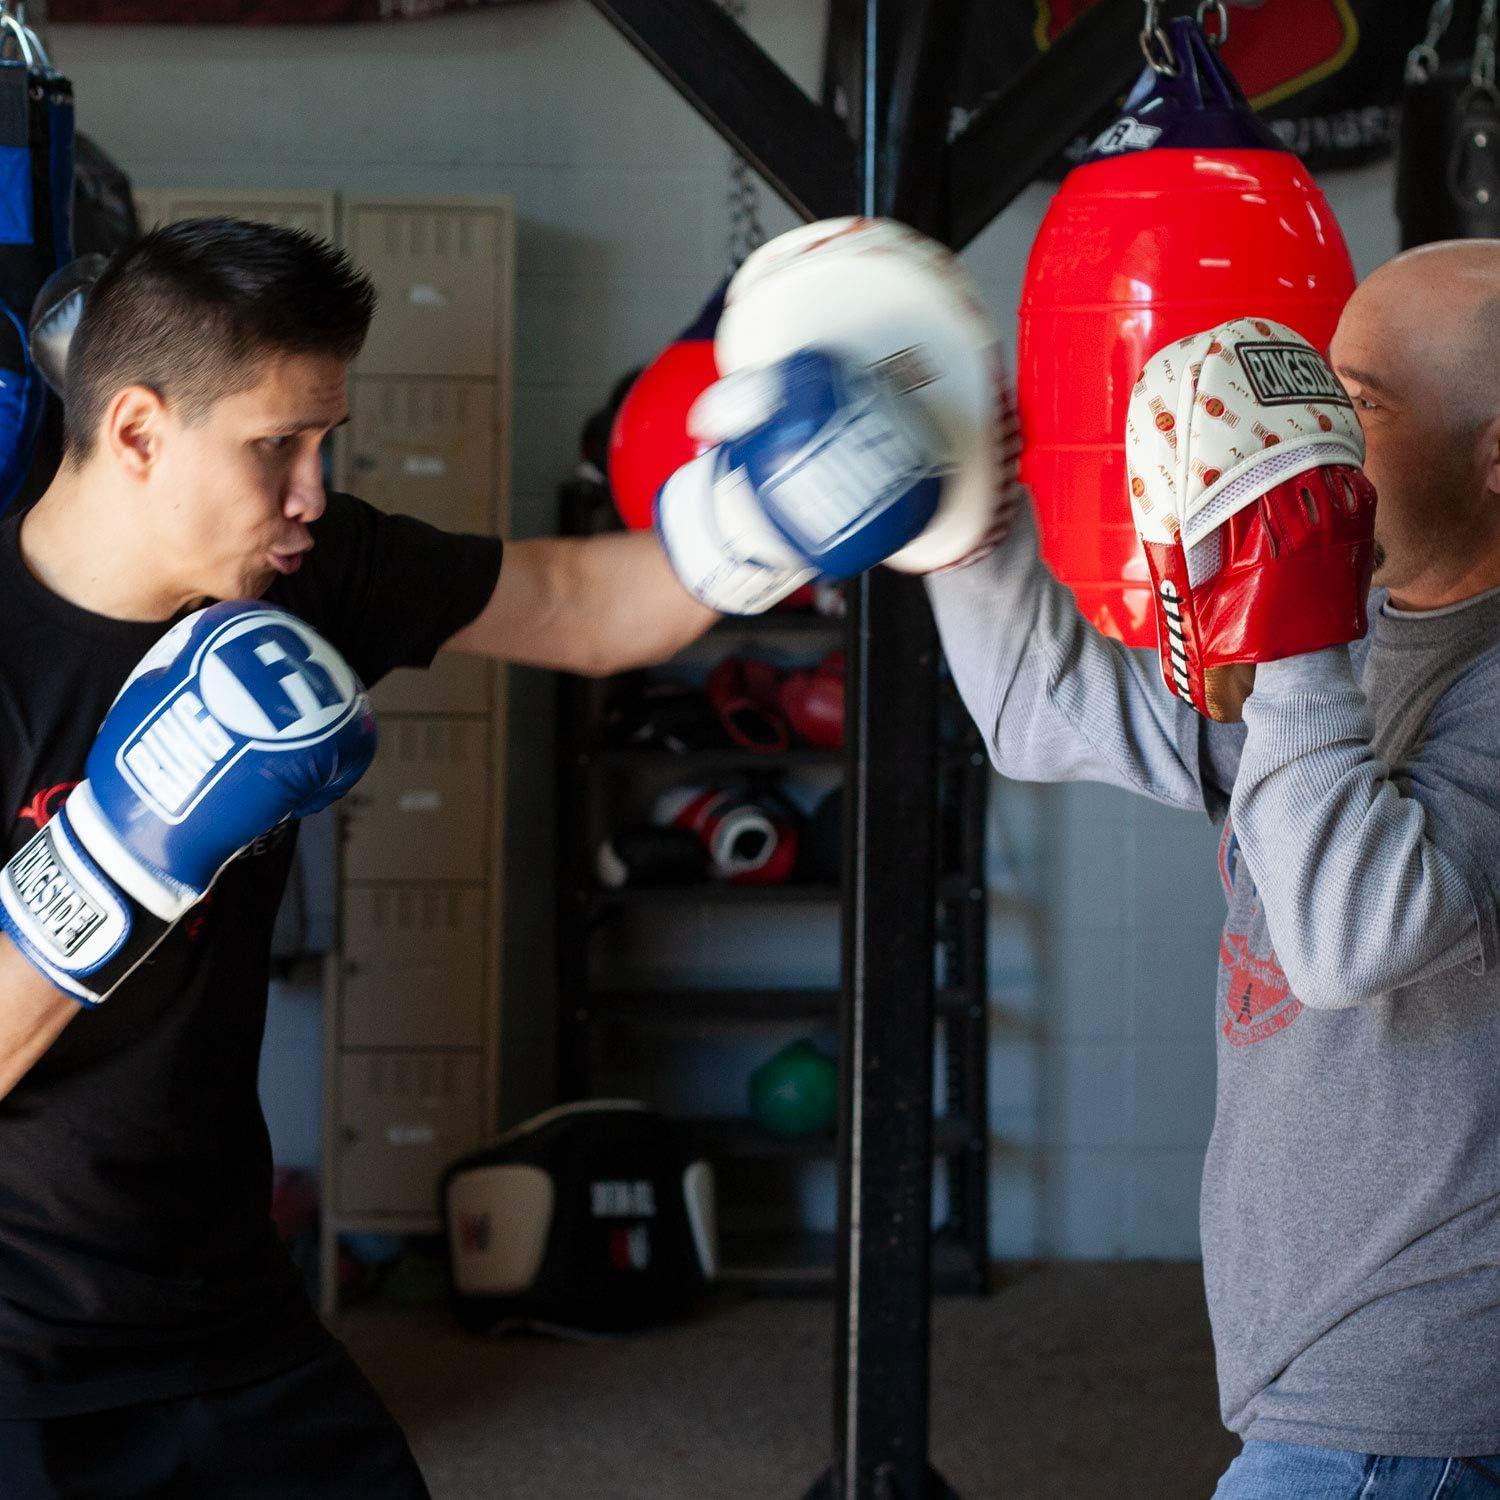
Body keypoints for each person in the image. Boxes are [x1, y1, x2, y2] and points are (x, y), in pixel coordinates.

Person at [0, 215, 985, 1497]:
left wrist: (768, 521)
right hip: (21, 1359)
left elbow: (579, 607)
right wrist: (122, 850)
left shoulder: (302, 565)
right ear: (135, 431)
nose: (310, 489)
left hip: (230, 1310)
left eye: (323, 441)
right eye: (274, 449)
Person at [927, 239, 1500, 1497]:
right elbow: (1041, 708)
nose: (1308, 435)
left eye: (1357, 405)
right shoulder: (1371, 646)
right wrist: (967, 518)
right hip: (1341, 1385)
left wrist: (1294, 638)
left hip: (1421, 1403)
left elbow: (1353, 942)